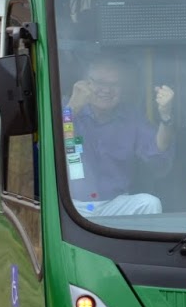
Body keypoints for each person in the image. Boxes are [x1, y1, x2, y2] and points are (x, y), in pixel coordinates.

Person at [64, 54, 174, 217]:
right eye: (100, 82)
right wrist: (72, 109)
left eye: (114, 84)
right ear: (86, 83)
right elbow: (49, 147)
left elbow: (158, 152)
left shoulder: (132, 118)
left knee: (150, 203)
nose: (106, 90)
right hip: (71, 206)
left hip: (114, 204)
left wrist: (166, 116)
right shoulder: (66, 107)